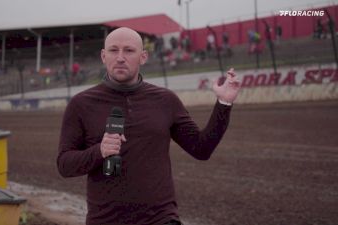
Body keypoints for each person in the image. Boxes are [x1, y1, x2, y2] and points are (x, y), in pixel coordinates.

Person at [57, 27, 241, 225]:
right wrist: (99, 151)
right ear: (103, 56)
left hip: (161, 218)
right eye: (113, 50)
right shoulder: (81, 104)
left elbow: (201, 149)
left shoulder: (165, 100)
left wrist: (224, 104)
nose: (120, 57)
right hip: (105, 220)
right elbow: (65, 165)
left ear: (143, 57)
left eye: (129, 50)